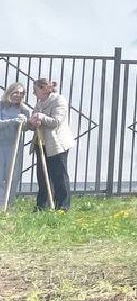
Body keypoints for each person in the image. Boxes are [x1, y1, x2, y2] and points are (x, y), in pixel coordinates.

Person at [27, 78, 75, 211]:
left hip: (56, 144)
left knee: (59, 176)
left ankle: (63, 207)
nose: (34, 94)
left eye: (35, 91)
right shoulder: (40, 102)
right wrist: (32, 122)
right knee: (42, 176)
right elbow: (34, 119)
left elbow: (56, 122)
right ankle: (42, 206)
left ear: (43, 89)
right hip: (41, 143)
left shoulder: (59, 100)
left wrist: (41, 117)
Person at [0, 84, 29, 209]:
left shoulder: (24, 109)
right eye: (16, 92)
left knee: (13, 177)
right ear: (10, 92)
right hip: (1, 146)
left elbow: (27, 128)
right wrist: (12, 121)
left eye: (21, 93)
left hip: (15, 147)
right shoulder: (1, 106)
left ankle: (9, 206)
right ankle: (1, 206)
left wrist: (26, 122)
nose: (19, 95)